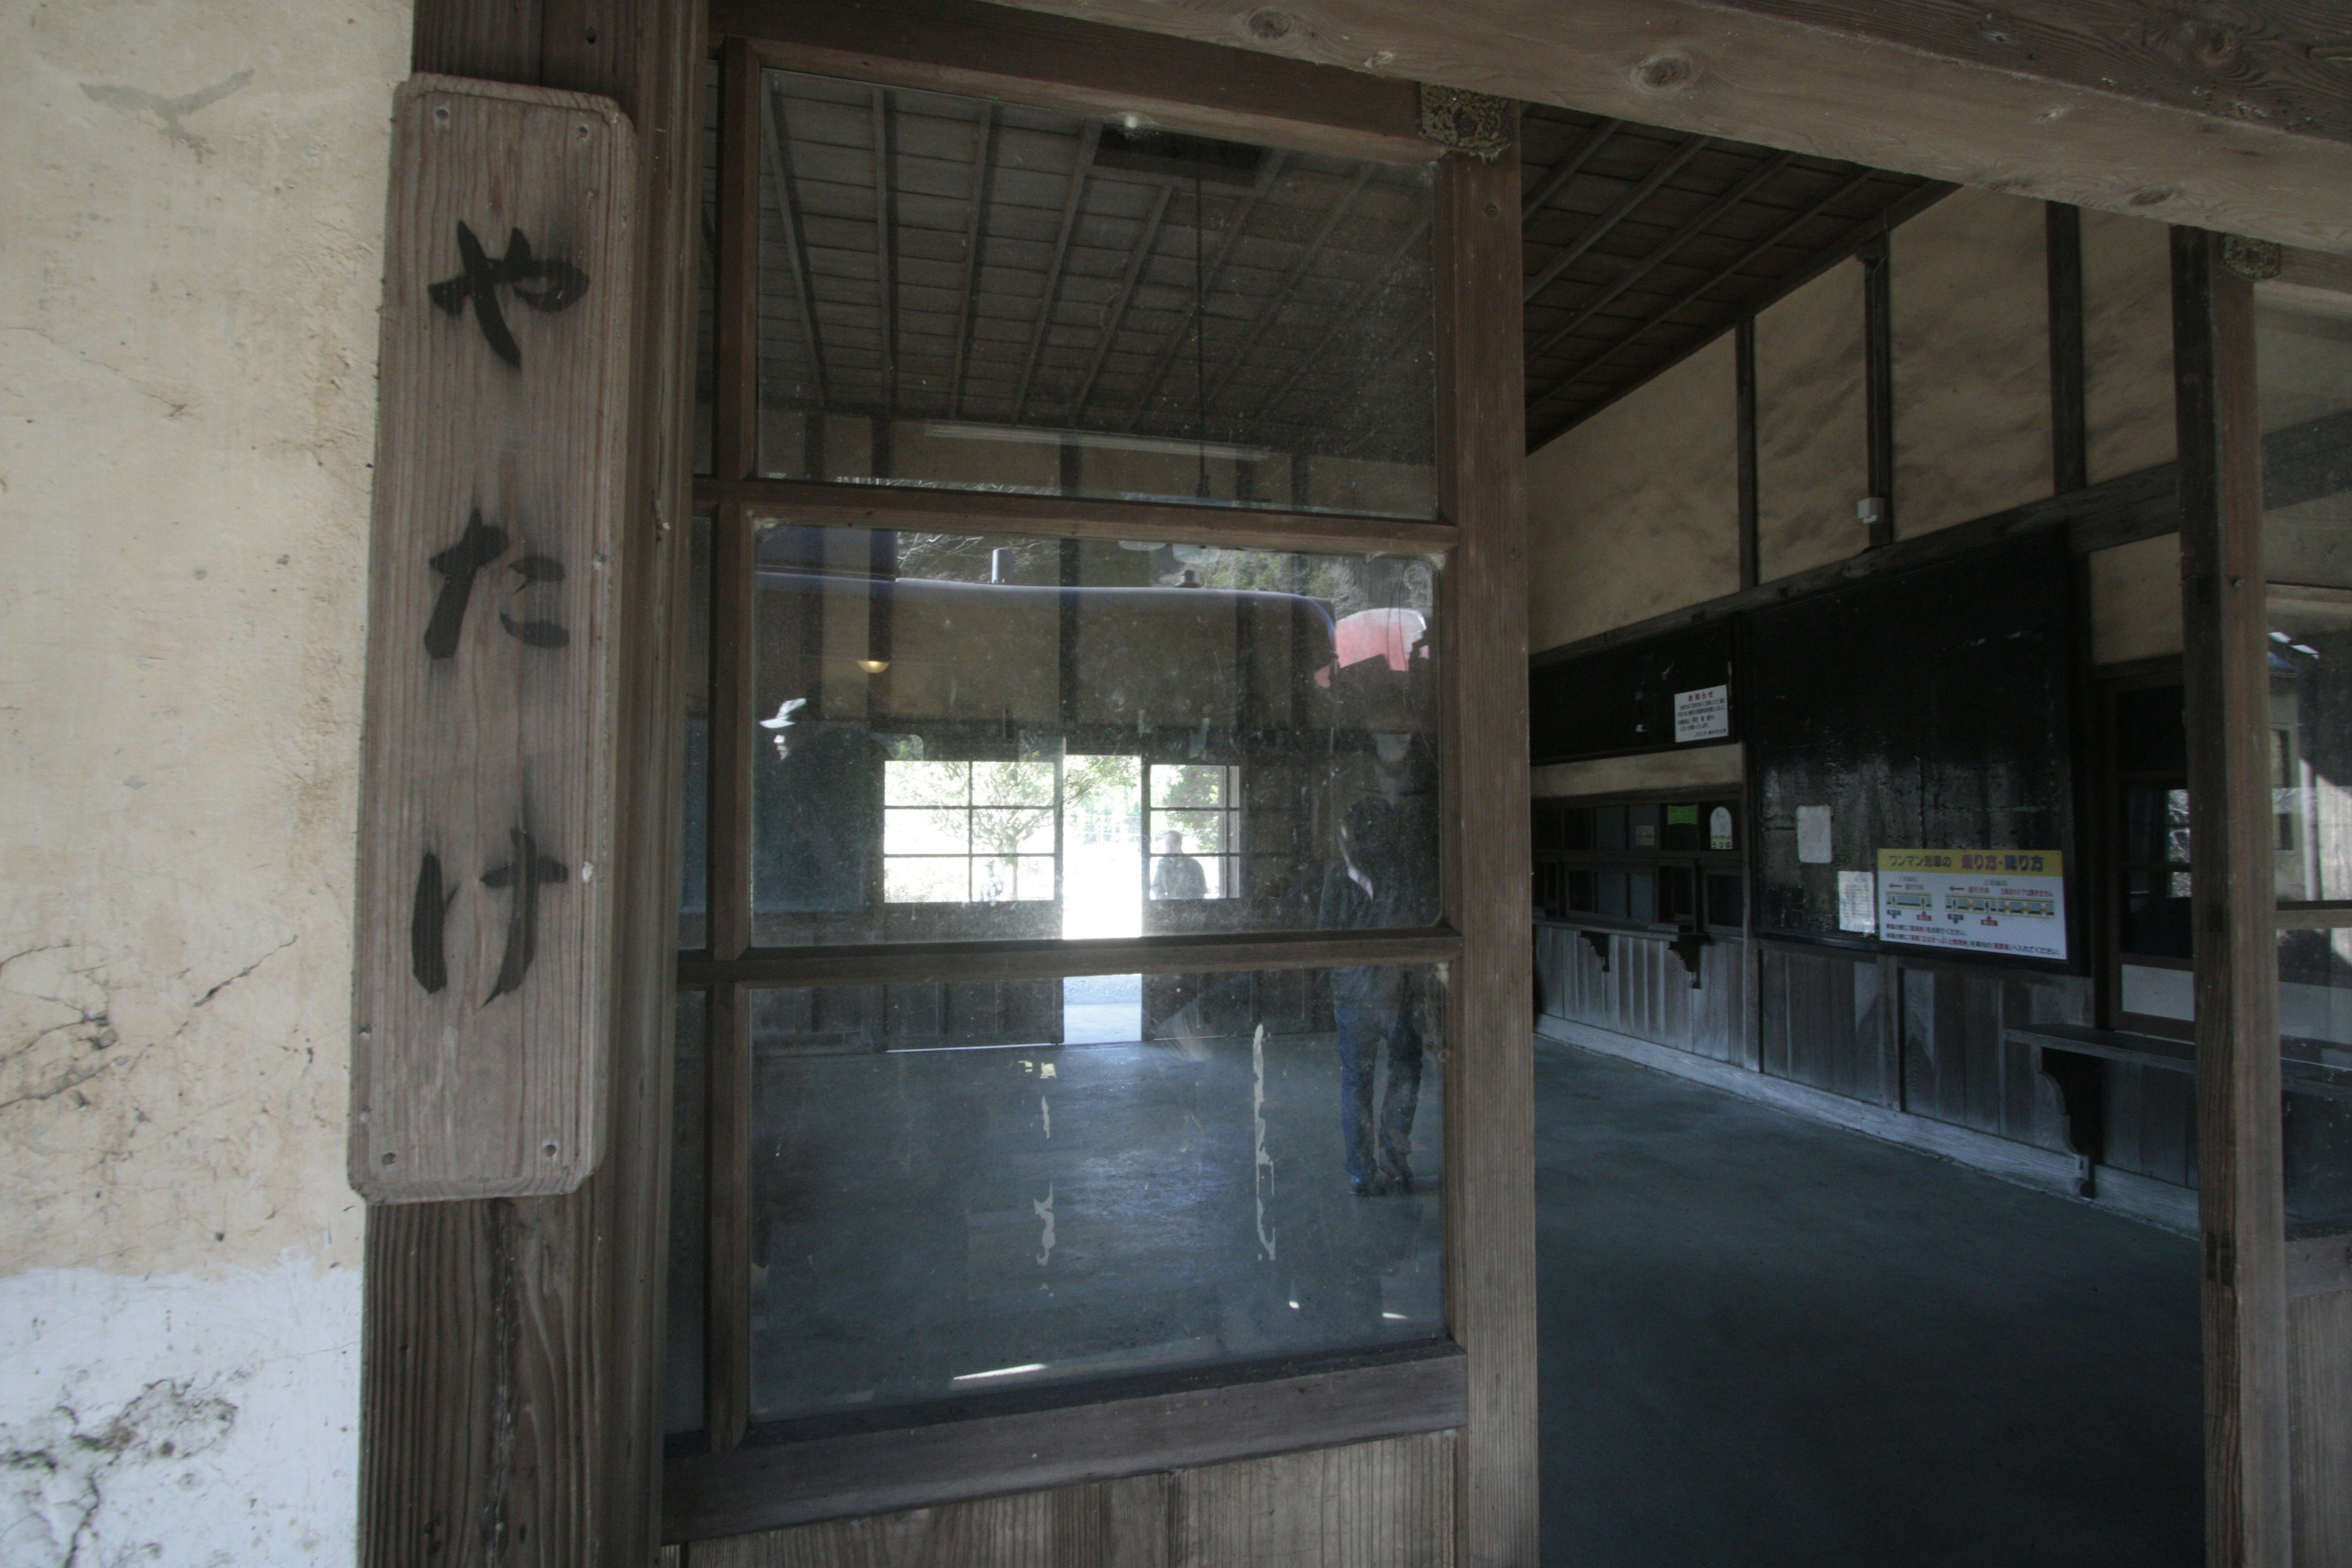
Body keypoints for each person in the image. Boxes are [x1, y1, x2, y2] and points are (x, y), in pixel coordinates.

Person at [1319, 796, 1432, 1197]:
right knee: (1404, 1073)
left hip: (1350, 992)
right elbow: (1418, 922)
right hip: (1395, 988)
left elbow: (1324, 936)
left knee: (1356, 1082)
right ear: (1386, 827)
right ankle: (1395, 1161)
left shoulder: (1339, 876)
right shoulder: (1403, 870)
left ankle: (1362, 1173)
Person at [1150, 828, 1208, 901]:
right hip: (1168, 907)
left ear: (1180, 844)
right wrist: (1164, 900)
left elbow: (1200, 890)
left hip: (1189, 907)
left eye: (1173, 843)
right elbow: (1156, 886)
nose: (1170, 847)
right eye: (1167, 844)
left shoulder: (1193, 864)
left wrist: (1184, 901)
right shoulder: (1163, 863)